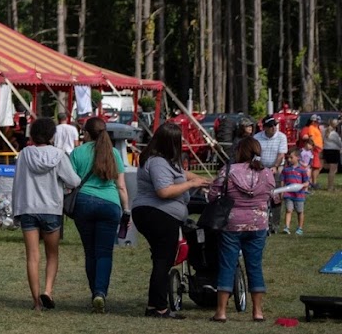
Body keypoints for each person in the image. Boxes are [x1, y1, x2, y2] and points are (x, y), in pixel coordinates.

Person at [132, 121, 210, 319]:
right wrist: (191, 184)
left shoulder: (165, 161)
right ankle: (160, 307)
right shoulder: (157, 162)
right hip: (157, 214)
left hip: (160, 214)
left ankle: (153, 305)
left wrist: (203, 180)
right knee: (163, 261)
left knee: (162, 259)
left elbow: (182, 174)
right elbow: (164, 191)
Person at [12, 117, 80, 311]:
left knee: (32, 256)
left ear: (32, 135)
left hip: (28, 208)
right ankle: (48, 291)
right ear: (52, 135)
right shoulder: (59, 155)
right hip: (51, 209)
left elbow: (17, 182)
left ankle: (35, 302)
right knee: (52, 254)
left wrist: (16, 210)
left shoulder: (24, 154)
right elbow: (74, 181)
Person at [209, 138, 278, 322]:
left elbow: (213, 195)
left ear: (239, 151)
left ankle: (221, 312)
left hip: (232, 224)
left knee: (227, 266)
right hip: (258, 224)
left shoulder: (229, 171)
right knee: (255, 266)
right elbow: (272, 198)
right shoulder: (267, 173)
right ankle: (257, 311)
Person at [69, 116, 130, 313]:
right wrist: (126, 210)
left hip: (84, 203)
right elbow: (121, 186)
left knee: (90, 251)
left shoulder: (77, 153)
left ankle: (93, 291)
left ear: (86, 133)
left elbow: (70, 182)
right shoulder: (114, 154)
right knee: (104, 252)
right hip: (110, 204)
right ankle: (100, 292)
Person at [280, 149, 310, 234]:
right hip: (288, 194)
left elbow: (307, 182)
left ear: (298, 158)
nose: (289, 159)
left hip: (299, 195)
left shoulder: (302, 170)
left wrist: (302, 186)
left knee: (300, 211)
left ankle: (300, 228)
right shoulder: (285, 170)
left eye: (291, 157)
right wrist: (282, 191)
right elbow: (282, 181)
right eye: (288, 157)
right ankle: (286, 227)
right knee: (289, 210)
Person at [300, 115, 324, 184]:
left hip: (318, 148)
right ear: (312, 121)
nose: (318, 123)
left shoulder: (316, 128)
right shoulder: (309, 128)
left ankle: (312, 182)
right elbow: (308, 137)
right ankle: (313, 182)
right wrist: (314, 145)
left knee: (317, 166)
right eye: (316, 121)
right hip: (314, 149)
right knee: (314, 166)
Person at [323, 119, 342, 190]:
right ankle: (330, 186)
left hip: (327, 150)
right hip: (333, 151)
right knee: (333, 170)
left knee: (333, 169)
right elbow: (339, 143)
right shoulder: (334, 134)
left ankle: (331, 185)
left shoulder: (325, 132)